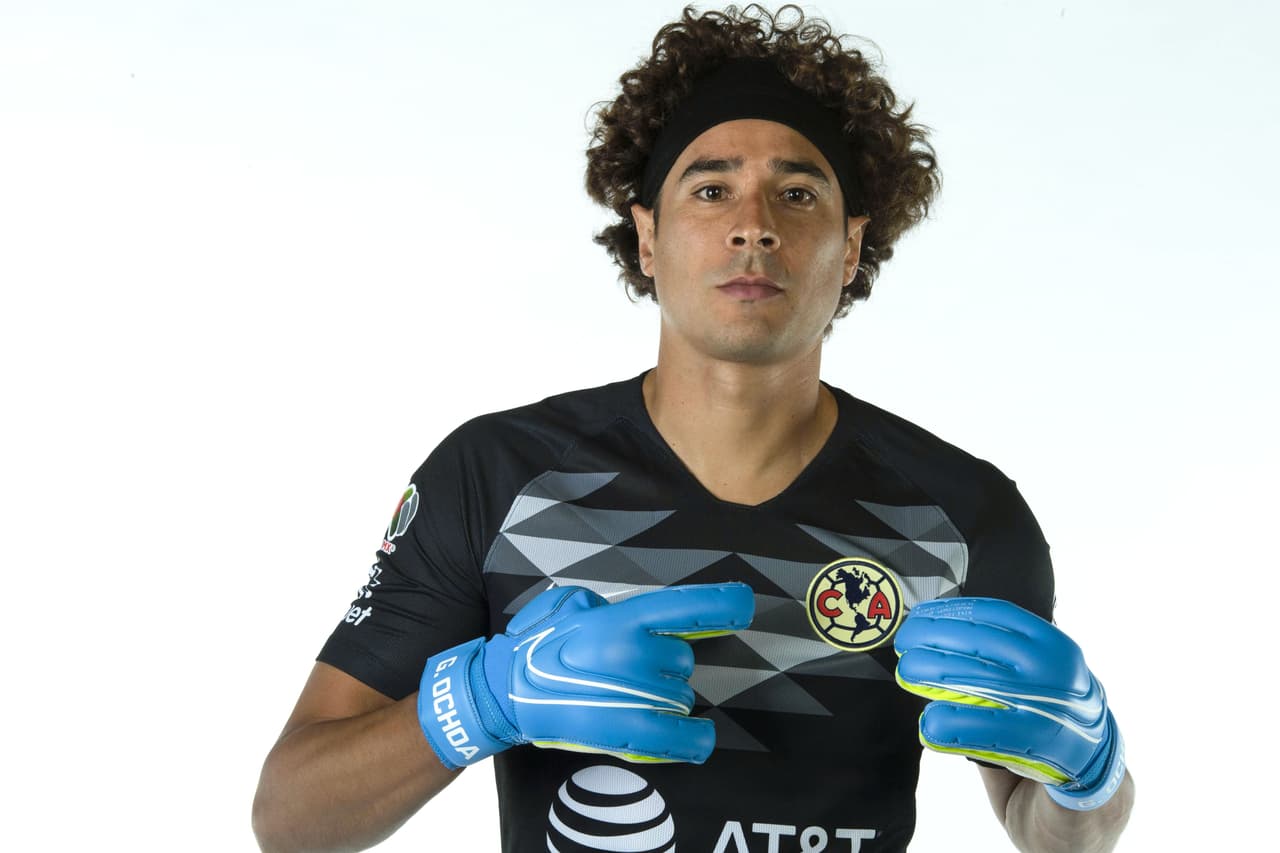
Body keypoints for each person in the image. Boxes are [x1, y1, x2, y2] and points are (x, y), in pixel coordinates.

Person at [252, 5, 1135, 851]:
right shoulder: (496, 474)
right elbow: (290, 819)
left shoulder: (964, 513)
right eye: (711, 189)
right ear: (647, 236)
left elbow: (1048, 832)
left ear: (854, 245)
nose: (753, 227)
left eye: (797, 193)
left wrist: (1089, 776)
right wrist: (484, 698)